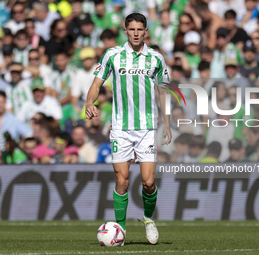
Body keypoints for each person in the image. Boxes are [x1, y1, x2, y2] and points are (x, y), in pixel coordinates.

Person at [85, 13, 171, 245]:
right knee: (121, 181)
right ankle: (120, 231)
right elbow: (96, 84)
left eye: (139, 29)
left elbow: (162, 91)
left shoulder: (156, 58)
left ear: (145, 32)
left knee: (148, 182)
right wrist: (88, 102)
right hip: (121, 128)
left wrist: (168, 123)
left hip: (146, 128)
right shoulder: (112, 55)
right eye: (131, 29)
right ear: (125, 31)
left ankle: (148, 219)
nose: (135, 33)